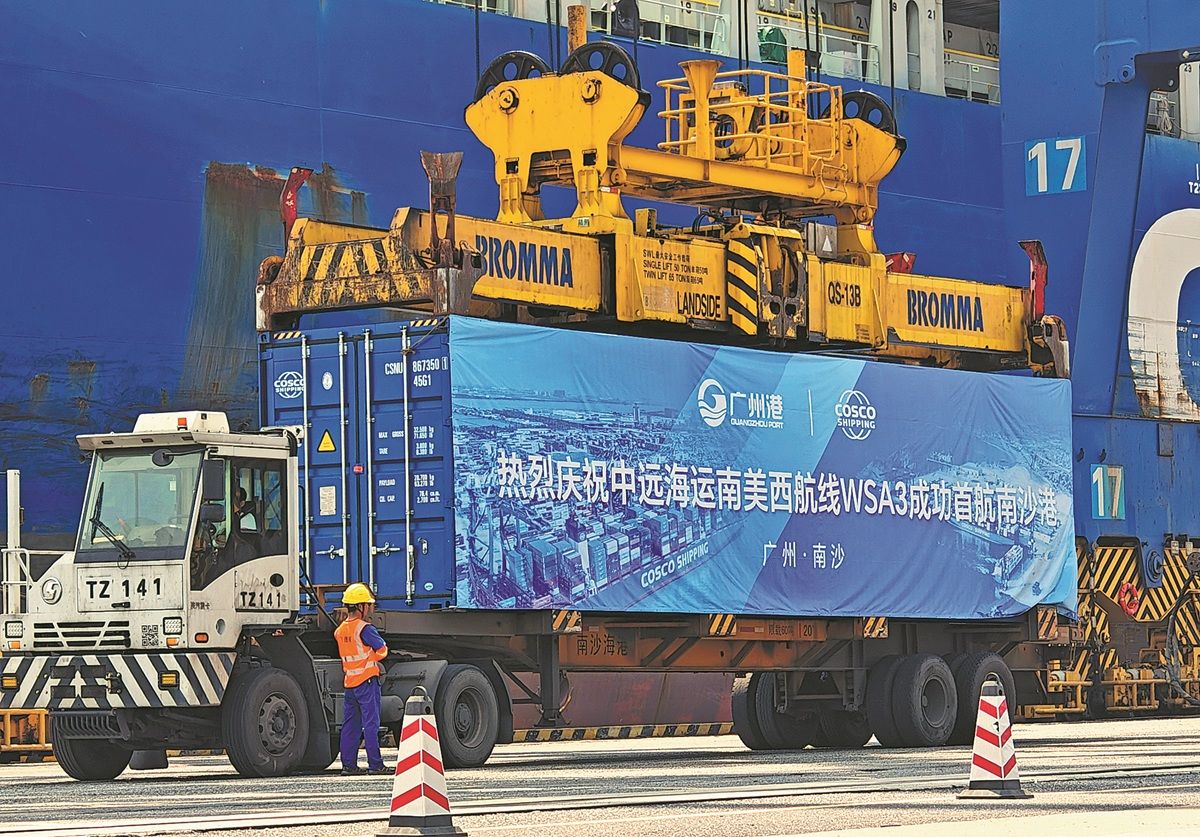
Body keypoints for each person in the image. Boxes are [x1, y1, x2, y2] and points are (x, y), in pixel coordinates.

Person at [335, 583, 389, 775]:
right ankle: (375, 764)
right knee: (371, 723)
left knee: (350, 725)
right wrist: (371, 657)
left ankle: (348, 765)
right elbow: (382, 650)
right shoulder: (364, 628)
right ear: (361, 606)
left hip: (350, 684)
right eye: (368, 605)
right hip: (366, 682)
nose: (369, 608)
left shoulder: (340, 630)